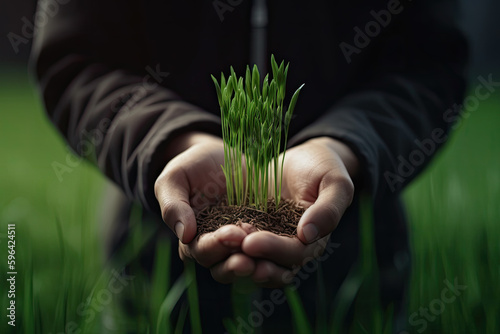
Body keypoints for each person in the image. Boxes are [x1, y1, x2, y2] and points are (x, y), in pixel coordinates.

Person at [31, 0, 468, 332]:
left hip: (355, 261)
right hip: (153, 261)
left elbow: (429, 60)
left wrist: (344, 145)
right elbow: (75, 60)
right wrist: (174, 142)